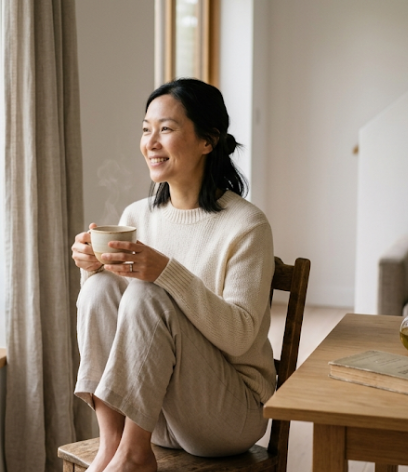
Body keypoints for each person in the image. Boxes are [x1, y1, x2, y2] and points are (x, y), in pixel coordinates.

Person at [69, 78, 276, 472]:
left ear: (207, 141)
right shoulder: (137, 216)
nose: (151, 141)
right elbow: (120, 319)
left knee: (149, 294)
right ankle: (113, 444)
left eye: (166, 129)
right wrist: (92, 268)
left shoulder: (247, 226)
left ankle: (133, 457)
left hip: (226, 415)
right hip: (151, 412)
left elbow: (240, 336)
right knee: (99, 290)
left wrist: (167, 272)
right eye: (146, 129)